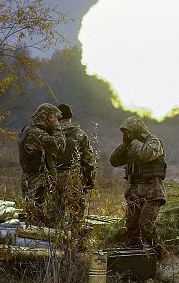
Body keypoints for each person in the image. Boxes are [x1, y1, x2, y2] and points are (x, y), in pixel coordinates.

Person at [110, 116, 168, 259]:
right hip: (134, 192)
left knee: (145, 225)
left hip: (152, 192)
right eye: (125, 133)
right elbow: (114, 161)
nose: (127, 135)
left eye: (129, 132)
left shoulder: (153, 141)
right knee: (131, 228)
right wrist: (124, 144)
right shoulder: (130, 145)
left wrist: (134, 142)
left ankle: (160, 254)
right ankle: (133, 258)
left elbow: (146, 155)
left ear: (136, 130)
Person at [18, 103, 66, 226]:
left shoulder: (28, 129)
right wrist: (57, 128)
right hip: (37, 181)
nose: (56, 120)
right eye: (54, 117)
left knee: (36, 216)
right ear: (48, 117)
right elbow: (60, 146)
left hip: (32, 179)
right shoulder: (36, 133)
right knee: (39, 219)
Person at [53, 103, 96, 226]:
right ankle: (74, 242)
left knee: (54, 215)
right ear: (70, 117)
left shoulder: (50, 133)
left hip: (52, 177)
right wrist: (90, 180)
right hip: (73, 178)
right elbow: (89, 161)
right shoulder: (80, 134)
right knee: (76, 215)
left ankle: (52, 242)